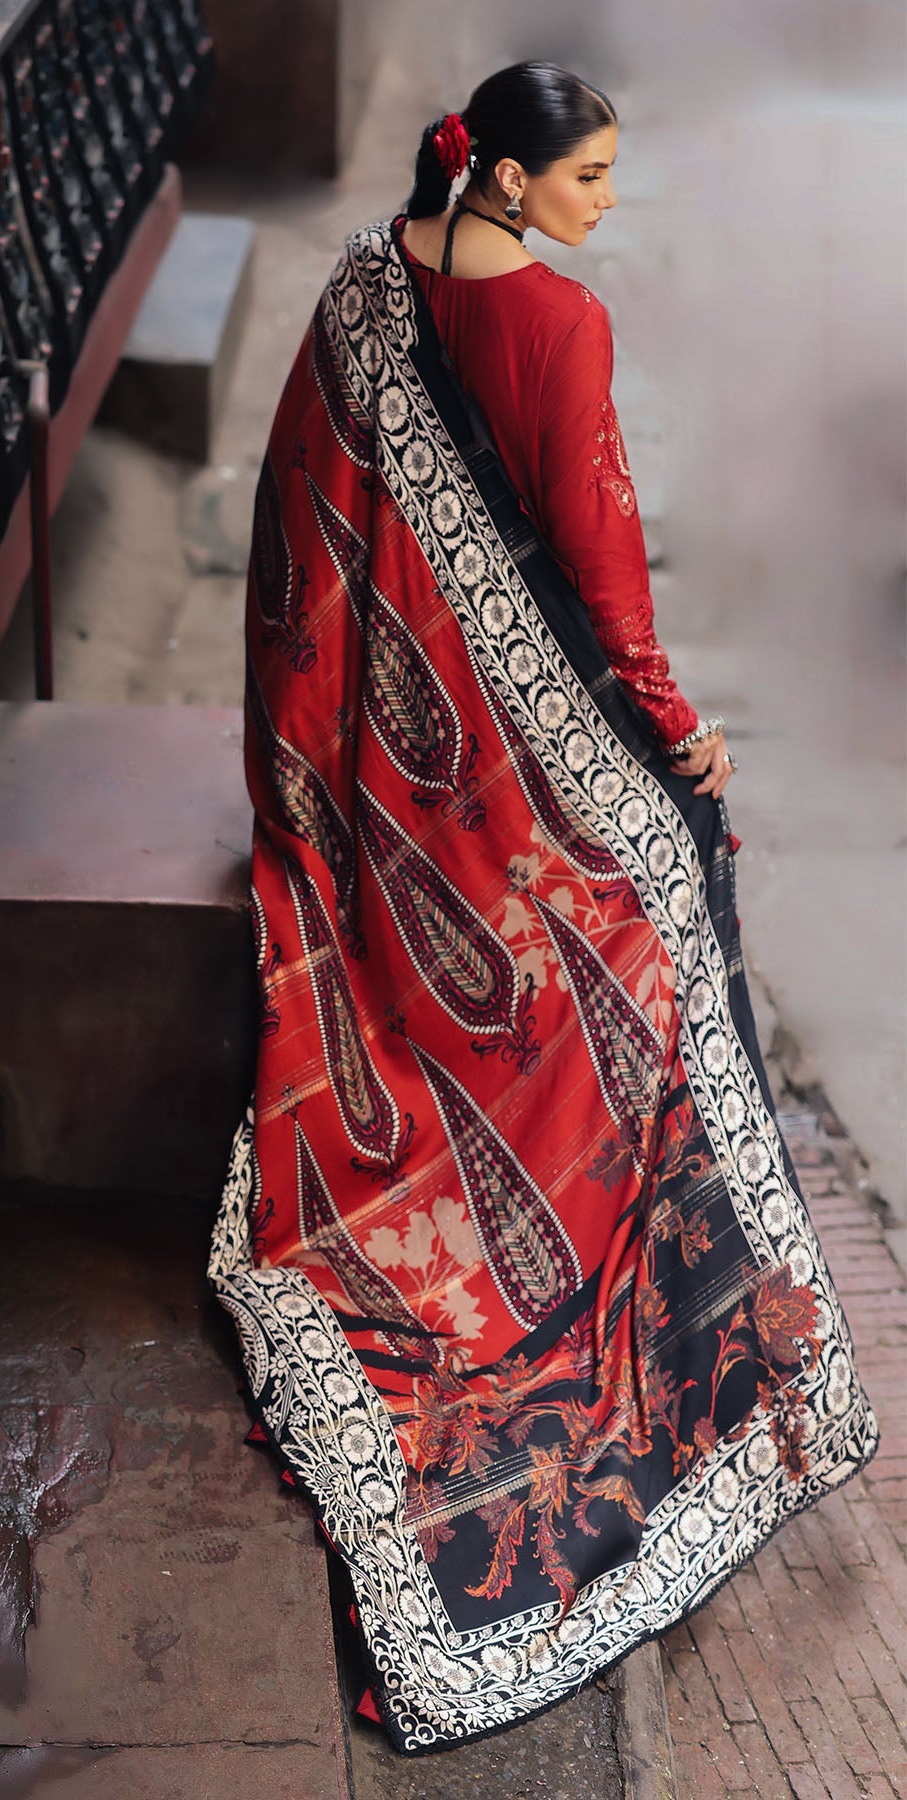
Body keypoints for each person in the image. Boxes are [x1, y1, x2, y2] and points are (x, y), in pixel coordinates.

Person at [209, 61, 877, 1754]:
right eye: (586, 176)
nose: (605, 202)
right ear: (505, 179)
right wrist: (684, 737)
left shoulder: (367, 283)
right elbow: (606, 587)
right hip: (513, 790)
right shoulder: (561, 329)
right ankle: (671, 1318)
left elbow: (298, 531)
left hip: (373, 776)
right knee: (674, 875)